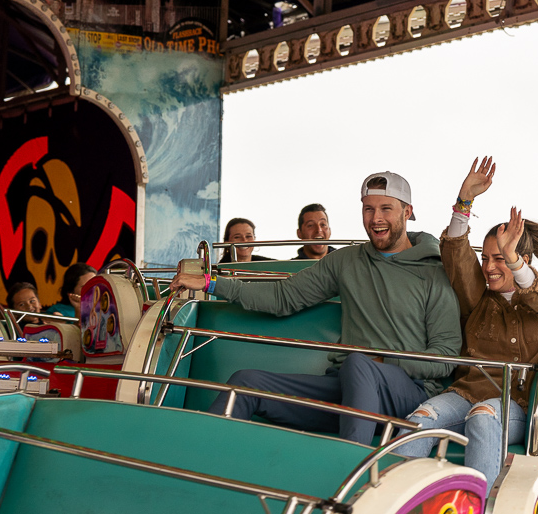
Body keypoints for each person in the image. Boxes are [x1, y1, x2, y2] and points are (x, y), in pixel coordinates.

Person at [169, 171, 462, 445]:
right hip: (347, 387)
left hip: (409, 393)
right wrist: (211, 283)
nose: (375, 219)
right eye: (368, 209)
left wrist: (385, 362)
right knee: (245, 383)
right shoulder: (347, 261)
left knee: (359, 363)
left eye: (386, 208)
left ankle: (346, 475)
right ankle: (195, 459)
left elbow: (446, 359)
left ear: (407, 212)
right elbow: (284, 296)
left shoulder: (434, 270)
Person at [394, 157, 538, 493]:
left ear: (520, 261)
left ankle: (478, 507)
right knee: (421, 420)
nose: (489, 267)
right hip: (466, 392)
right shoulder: (478, 298)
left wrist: (513, 259)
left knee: (485, 416)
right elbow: (457, 253)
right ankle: (396, 502)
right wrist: (464, 202)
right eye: (486, 258)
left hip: (516, 404)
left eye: (498, 258)